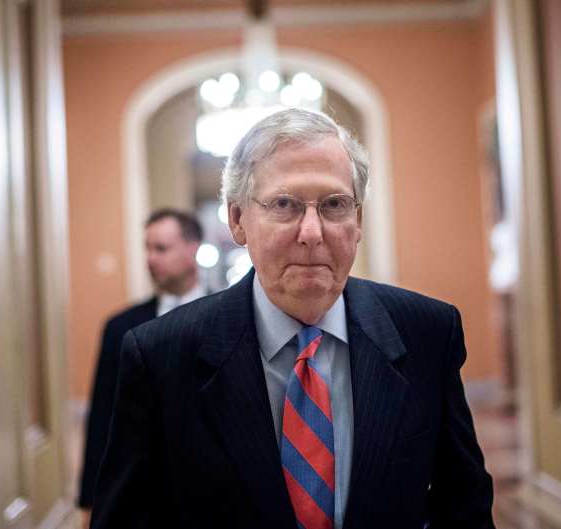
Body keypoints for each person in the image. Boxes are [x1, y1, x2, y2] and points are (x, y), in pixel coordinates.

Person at [90, 109, 495, 529]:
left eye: (335, 205)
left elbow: (464, 506)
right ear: (237, 220)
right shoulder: (160, 355)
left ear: (358, 221)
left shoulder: (427, 332)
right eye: (284, 204)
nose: (312, 232)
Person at [77, 208, 205, 514]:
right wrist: (91, 498)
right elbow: (103, 413)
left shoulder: (234, 319)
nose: (150, 258)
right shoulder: (122, 327)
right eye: (147, 248)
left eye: (161, 248)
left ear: (192, 249)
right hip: (145, 493)